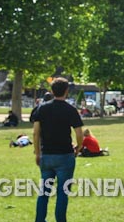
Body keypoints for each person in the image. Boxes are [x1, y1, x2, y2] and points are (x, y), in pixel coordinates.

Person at [33, 77, 84, 222]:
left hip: (46, 155)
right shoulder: (70, 110)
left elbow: (36, 133)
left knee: (44, 192)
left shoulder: (41, 108)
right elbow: (79, 133)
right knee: (63, 193)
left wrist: (37, 153)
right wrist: (78, 148)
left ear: (51, 91)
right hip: (65, 155)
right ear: (66, 91)